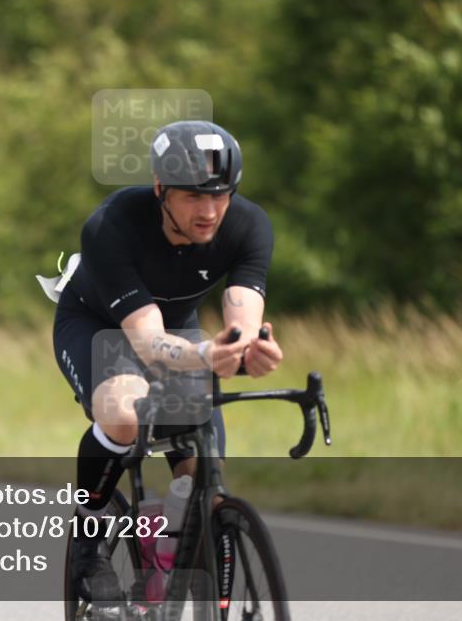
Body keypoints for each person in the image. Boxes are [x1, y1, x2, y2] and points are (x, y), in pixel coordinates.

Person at [51, 120, 283, 606]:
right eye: (194, 197)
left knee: (205, 475)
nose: (210, 211)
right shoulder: (110, 226)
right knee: (122, 410)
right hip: (99, 325)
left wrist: (247, 350)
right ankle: (90, 540)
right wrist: (203, 354)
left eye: (221, 195)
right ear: (161, 189)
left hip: (177, 331)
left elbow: (241, 317)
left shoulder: (248, 225)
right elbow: (147, 339)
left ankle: (170, 559)